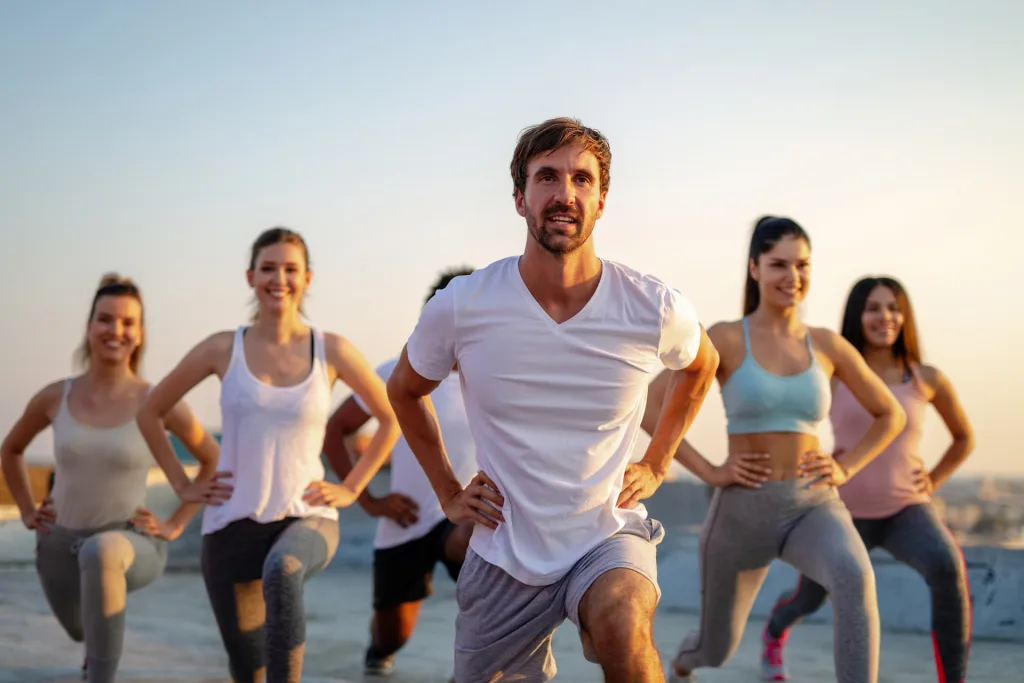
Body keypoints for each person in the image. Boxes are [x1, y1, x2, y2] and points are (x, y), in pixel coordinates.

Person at [386, 117, 720, 683]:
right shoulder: (463, 305)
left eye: (582, 180)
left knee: (621, 619)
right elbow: (405, 389)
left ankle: (598, 616)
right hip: (503, 551)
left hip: (605, 533)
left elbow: (701, 366)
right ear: (520, 198)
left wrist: (658, 461)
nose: (565, 194)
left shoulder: (652, 306)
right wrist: (447, 490)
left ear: (602, 199)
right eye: (547, 177)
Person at [136, 227, 401, 683]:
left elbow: (392, 416)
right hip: (229, 528)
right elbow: (150, 410)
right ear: (250, 276)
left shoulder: (331, 349)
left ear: (308, 279)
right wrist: (184, 485)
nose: (280, 278)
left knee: (284, 570)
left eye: (291, 269)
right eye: (269, 268)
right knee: (249, 670)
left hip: (307, 516)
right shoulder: (222, 348)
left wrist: (353, 485)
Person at [662, 217, 907, 683]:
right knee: (715, 648)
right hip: (740, 514)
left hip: (813, 504)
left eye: (802, 264)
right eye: (779, 264)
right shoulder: (727, 337)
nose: (792, 276)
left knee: (855, 579)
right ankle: (681, 665)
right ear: (754, 268)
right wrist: (711, 471)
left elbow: (890, 415)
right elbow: (656, 409)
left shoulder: (826, 343)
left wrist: (846, 465)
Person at [0, 274, 219, 683]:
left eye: (127, 322)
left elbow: (212, 458)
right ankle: (96, 649)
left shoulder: (157, 401)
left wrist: (175, 523)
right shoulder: (55, 396)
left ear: (140, 333)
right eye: (105, 319)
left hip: (131, 541)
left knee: (101, 553)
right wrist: (29, 511)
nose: (115, 331)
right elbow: (10, 450)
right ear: (89, 326)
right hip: (59, 542)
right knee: (81, 629)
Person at [762, 276, 974, 682]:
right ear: (857, 316)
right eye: (874, 308)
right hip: (841, 513)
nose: (885, 317)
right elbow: (791, 416)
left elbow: (964, 438)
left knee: (947, 568)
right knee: (809, 598)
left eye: (893, 308)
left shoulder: (925, 378)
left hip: (906, 509)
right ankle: (774, 632)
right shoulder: (835, 373)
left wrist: (933, 478)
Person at [323, 266, 478, 677]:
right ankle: (379, 647)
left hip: (464, 517)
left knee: (477, 553)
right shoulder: (398, 371)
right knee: (393, 635)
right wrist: (370, 500)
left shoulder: (496, 377)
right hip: (406, 519)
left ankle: (476, 668)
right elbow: (336, 431)